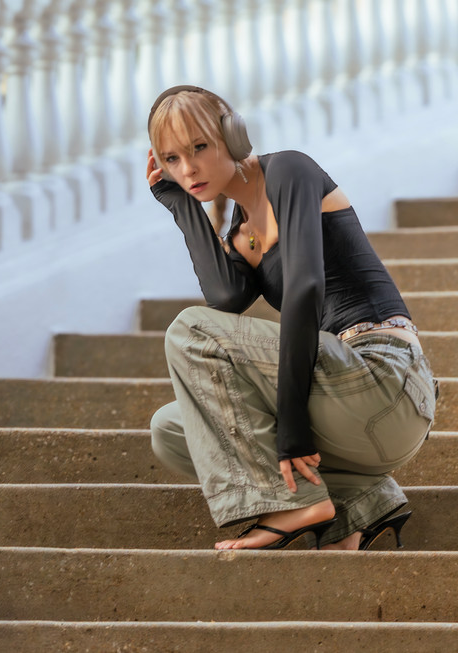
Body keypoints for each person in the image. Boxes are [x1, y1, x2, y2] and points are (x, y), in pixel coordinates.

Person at [146, 85, 436, 551]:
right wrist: (182, 206)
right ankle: (362, 502)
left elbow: (304, 289)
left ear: (233, 135)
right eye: (172, 159)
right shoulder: (241, 236)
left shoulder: (289, 170)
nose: (189, 169)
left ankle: (296, 504)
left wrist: (292, 429)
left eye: (199, 147)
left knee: (189, 330)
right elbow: (225, 297)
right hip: (345, 414)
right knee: (174, 428)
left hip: (385, 380)